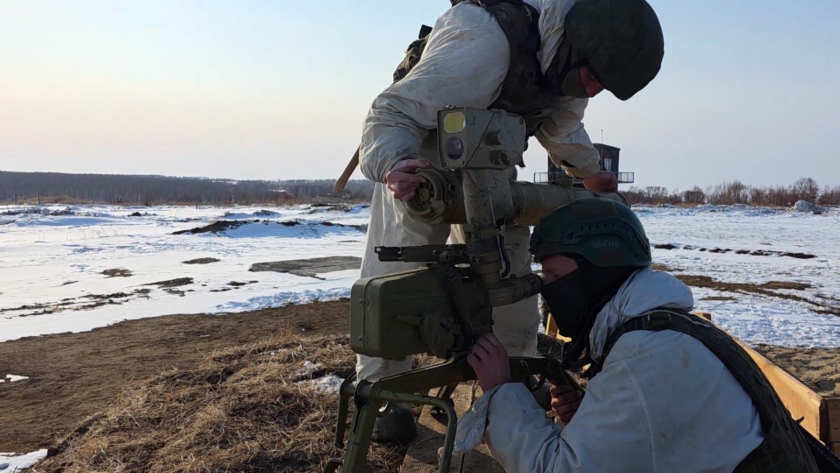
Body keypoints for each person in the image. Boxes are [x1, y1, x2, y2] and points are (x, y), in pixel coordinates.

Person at [356, 0, 665, 442]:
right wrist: (395, 162)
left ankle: (510, 385)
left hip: (490, 162)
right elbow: (390, 113)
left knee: (509, 276)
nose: (593, 91)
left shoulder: (567, 67)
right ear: (575, 45)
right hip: (419, 160)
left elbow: (559, 127)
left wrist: (590, 171)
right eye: (593, 78)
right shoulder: (483, 43)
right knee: (399, 273)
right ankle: (386, 399)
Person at [466, 197, 819, 472]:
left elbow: (557, 469)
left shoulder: (648, 355)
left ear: (597, 272)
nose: (550, 291)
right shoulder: (667, 331)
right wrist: (593, 420)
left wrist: (500, 393)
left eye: (556, 277)